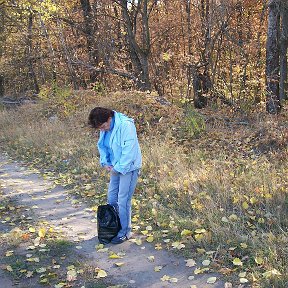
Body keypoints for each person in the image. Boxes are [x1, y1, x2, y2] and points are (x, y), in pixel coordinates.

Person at [88, 107, 142, 244]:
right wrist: (105, 162)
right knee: (112, 198)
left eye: (103, 126)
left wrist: (118, 168)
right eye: (100, 128)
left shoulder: (126, 125)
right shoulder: (105, 128)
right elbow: (103, 146)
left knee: (123, 200)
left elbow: (129, 151)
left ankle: (125, 231)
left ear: (109, 119)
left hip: (129, 167)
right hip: (115, 167)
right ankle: (114, 227)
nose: (103, 129)